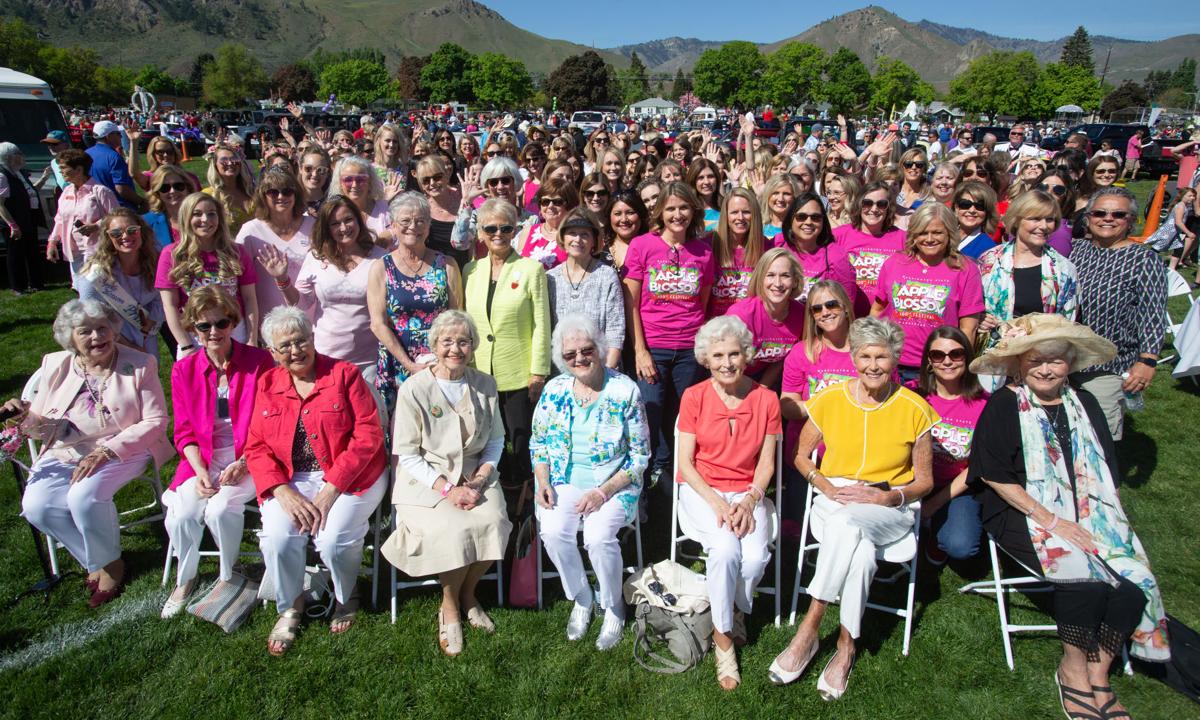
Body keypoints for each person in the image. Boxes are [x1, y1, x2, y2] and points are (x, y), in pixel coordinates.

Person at [967, 313, 1169, 719]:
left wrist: (1091, 518)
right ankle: (1072, 670)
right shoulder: (1006, 405)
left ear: (1070, 364)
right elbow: (992, 474)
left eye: (1056, 360)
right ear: (1020, 363)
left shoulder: (1086, 404)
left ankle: (1099, 672)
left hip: (1087, 514)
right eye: (1035, 359)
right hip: (1019, 512)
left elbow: (1106, 472)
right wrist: (1054, 521)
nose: (1045, 368)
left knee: (1136, 580)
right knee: (1081, 575)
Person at [770, 318, 935, 699]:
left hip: (890, 503)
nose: (873, 365)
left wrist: (887, 497)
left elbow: (924, 481)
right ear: (854, 359)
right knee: (859, 552)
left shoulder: (915, 407)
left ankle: (809, 628)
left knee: (848, 524)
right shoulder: (830, 399)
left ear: (895, 359)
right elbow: (800, 456)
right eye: (865, 356)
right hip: (837, 496)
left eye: (882, 356)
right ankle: (846, 647)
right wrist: (826, 486)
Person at [7, 299, 172, 608]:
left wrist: (107, 451)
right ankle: (94, 559)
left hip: (124, 447)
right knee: (37, 506)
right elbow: (40, 426)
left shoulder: (139, 364)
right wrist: (22, 418)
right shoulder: (56, 365)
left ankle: (111, 566)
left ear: (113, 329)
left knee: (83, 496)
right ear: (71, 338)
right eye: (86, 332)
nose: (97, 337)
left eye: (102, 328)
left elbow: (156, 421)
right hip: (66, 451)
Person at [246, 306, 387, 655]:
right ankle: (292, 604)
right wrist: (281, 490)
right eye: (286, 346)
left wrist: (329, 490)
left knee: (334, 538)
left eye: (301, 340)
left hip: (353, 475)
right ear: (273, 354)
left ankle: (346, 593)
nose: (296, 350)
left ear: (313, 338)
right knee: (279, 536)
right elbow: (256, 445)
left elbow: (368, 436)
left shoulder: (344, 375)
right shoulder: (268, 383)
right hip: (291, 479)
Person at [381, 310, 512, 657]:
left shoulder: (485, 384)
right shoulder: (414, 389)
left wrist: (482, 478)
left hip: (474, 476)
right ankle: (451, 603)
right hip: (425, 479)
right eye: (447, 341)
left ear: (473, 347)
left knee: (495, 522)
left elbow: (496, 440)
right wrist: (447, 489)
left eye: (463, 342)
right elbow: (407, 455)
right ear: (434, 345)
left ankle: (469, 592)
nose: (455, 349)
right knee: (454, 530)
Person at [531, 315, 650, 650]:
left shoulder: (624, 390)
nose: (579, 359)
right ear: (562, 359)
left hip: (614, 483)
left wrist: (602, 492)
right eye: (570, 355)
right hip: (562, 481)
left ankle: (613, 605)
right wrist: (542, 480)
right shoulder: (554, 390)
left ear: (599, 349)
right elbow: (538, 444)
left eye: (586, 350)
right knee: (553, 531)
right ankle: (583, 596)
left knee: (598, 538)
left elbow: (641, 458)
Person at [676, 315, 780, 690]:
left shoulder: (766, 400)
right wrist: (718, 503)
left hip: (748, 492)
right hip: (703, 490)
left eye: (734, 353)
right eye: (718, 354)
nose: (727, 362)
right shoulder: (694, 396)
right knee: (724, 552)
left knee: (753, 558)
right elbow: (685, 463)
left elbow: (767, 463)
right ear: (706, 358)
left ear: (746, 355)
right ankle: (723, 640)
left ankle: (736, 609)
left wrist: (751, 500)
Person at [161, 287, 274, 618]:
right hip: (201, 459)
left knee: (221, 509)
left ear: (233, 322)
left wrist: (243, 461)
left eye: (221, 323)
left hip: (252, 454)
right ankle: (187, 577)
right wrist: (199, 472)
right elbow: (183, 431)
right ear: (192, 327)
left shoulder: (259, 362)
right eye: (203, 326)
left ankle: (229, 573)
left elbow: (269, 421)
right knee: (182, 513)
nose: (213, 332)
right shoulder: (184, 370)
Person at [624, 182, 716, 488]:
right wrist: (640, 350)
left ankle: (679, 472)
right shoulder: (642, 245)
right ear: (660, 211)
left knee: (682, 416)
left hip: (689, 349)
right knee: (650, 413)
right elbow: (632, 302)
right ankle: (654, 471)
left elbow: (702, 301)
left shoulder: (703, 250)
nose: (678, 215)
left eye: (684, 207)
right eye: (671, 208)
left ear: (694, 210)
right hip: (654, 346)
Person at [462, 198, 551, 493]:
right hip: (479, 372)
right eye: (490, 228)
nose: (498, 234)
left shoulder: (530, 269)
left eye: (506, 228)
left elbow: (541, 323)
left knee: (521, 440)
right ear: (481, 232)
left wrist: (538, 371)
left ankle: (525, 501)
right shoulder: (471, 271)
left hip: (518, 372)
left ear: (515, 231)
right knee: (484, 442)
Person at [1069, 187, 1166, 441]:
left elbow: (1153, 314)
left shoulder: (1144, 259)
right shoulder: (1076, 250)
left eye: (1118, 214)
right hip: (1066, 360)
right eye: (1100, 212)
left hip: (1109, 365)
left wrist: (1147, 361)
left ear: (1131, 221)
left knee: (1098, 438)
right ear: (1088, 218)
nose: (1108, 218)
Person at [263, 195, 386, 390]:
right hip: (327, 356)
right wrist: (282, 279)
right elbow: (302, 304)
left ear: (358, 220)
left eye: (348, 220)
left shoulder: (380, 258)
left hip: (370, 358)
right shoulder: (316, 258)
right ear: (327, 229)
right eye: (335, 223)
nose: (344, 228)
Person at [367, 192, 462, 414]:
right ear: (393, 225)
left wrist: (442, 361)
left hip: (440, 362)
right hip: (397, 362)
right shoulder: (381, 268)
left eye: (420, 221)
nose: (413, 227)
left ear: (429, 226)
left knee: (440, 426)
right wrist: (410, 365)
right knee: (402, 431)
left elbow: (457, 318)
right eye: (405, 221)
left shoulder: (446, 265)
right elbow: (378, 324)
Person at [871, 203, 984, 378]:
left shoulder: (965, 269)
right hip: (891, 363)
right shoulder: (894, 262)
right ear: (913, 234)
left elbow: (968, 328)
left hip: (938, 367)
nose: (929, 239)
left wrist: (962, 371)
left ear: (949, 233)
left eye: (937, 232)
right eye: (923, 233)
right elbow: (877, 311)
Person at [912, 327, 989, 564]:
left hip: (958, 487)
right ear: (929, 361)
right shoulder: (913, 394)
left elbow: (979, 465)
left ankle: (936, 532)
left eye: (956, 354)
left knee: (960, 546)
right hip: (912, 481)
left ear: (967, 357)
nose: (947, 361)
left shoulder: (985, 403)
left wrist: (935, 504)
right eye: (938, 355)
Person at [156, 192, 259, 357]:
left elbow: (250, 299)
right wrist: (185, 345)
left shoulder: (237, 252)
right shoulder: (171, 255)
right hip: (195, 336)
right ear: (186, 218)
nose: (205, 219)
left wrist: (251, 339)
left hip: (235, 332)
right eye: (197, 214)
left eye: (212, 213)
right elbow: (170, 305)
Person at [977, 190, 1078, 356]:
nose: (1044, 226)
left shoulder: (1064, 269)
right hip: (992, 357)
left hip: (1041, 359)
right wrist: (980, 320)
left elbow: (1068, 322)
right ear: (1016, 220)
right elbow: (972, 308)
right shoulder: (989, 260)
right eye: (1035, 219)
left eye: (1050, 219)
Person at [75, 209, 163, 355]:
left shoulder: (155, 262)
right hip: (110, 342)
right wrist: (130, 347)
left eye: (132, 230)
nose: (125, 236)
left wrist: (152, 321)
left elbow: (161, 298)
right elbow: (92, 318)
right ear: (108, 237)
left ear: (142, 232)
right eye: (116, 233)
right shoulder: (95, 275)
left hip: (147, 337)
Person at [546, 208, 624, 369]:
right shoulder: (550, 278)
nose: (578, 239)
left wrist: (606, 373)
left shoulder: (606, 276)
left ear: (594, 241)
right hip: (560, 372)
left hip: (600, 369)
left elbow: (615, 330)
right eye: (572, 233)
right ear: (562, 237)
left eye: (584, 234)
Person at [236, 167, 315, 317]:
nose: (281, 196)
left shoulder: (314, 225)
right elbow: (239, 279)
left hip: (310, 317)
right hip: (269, 320)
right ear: (263, 196)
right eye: (273, 192)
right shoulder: (250, 232)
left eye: (287, 191)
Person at [727, 248, 806, 389]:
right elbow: (726, 361)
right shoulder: (741, 315)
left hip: (771, 379)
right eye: (770, 275)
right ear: (760, 279)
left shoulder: (802, 315)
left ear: (795, 281)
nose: (778, 283)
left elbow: (783, 360)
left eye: (785, 275)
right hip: (734, 377)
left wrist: (762, 390)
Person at [833, 181, 905, 316]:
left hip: (883, 321)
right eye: (867, 203)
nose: (874, 209)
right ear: (859, 204)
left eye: (881, 204)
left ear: (889, 208)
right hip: (847, 316)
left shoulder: (902, 239)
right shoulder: (839, 235)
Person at [46, 149, 119, 281]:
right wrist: (52, 243)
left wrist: (97, 226)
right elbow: (59, 220)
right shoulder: (66, 192)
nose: (60, 172)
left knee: (98, 290)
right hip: (73, 252)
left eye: (63, 168)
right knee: (81, 290)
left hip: (98, 251)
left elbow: (118, 218)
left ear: (79, 170)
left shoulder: (101, 191)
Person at [776, 192, 857, 304]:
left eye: (816, 217)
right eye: (801, 217)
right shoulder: (777, 244)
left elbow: (847, 305)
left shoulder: (837, 257)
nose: (808, 222)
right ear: (791, 219)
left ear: (823, 221)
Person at [451, 157, 534, 259]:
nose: (500, 187)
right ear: (487, 186)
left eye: (505, 180)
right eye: (494, 182)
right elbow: (459, 243)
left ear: (515, 182)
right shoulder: (478, 216)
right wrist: (466, 201)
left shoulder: (531, 219)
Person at [708, 188, 766, 317]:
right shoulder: (709, 243)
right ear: (726, 215)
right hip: (715, 326)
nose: (740, 217)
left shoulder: (765, 246)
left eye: (746, 212)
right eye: (734, 212)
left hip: (750, 324)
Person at [0, 142, 47, 293]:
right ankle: (18, 287)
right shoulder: (3, 176)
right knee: (16, 255)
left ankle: (37, 283)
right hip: (13, 221)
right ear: (9, 157)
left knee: (32, 251)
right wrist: (12, 225)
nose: (21, 156)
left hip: (27, 218)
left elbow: (31, 192)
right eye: (18, 153)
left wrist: (44, 178)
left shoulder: (18, 173)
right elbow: (0, 204)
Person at [415, 154, 470, 269]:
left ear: (446, 176)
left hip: (465, 272)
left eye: (437, 177)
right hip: (434, 276)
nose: (432, 183)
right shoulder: (420, 210)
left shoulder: (463, 201)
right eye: (426, 180)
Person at [329, 155, 399, 242]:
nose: (354, 185)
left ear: (370, 182)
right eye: (348, 179)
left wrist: (392, 233)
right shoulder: (333, 213)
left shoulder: (386, 209)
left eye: (361, 179)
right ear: (340, 183)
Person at [518, 177, 579, 270]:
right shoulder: (527, 232)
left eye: (557, 202)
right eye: (545, 202)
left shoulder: (574, 237)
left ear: (569, 205)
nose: (550, 206)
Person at [86, 121, 142, 210]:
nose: (121, 136)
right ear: (109, 136)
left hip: (96, 206)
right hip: (120, 209)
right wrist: (141, 201)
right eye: (118, 134)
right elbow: (122, 189)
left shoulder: (86, 153)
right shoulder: (114, 156)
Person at [204, 143, 255, 236]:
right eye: (224, 160)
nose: (230, 163)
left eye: (234, 159)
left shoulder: (252, 190)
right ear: (215, 165)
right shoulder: (208, 195)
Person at [142, 164, 192, 248]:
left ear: (188, 188)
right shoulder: (147, 222)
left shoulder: (202, 216)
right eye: (165, 188)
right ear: (157, 192)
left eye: (178, 186)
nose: (172, 191)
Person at [603, 190, 649, 279]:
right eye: (617, 214)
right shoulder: (599, 247)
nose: (624, 219)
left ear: (641, 215)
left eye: (630, 213)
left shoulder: (651, 248)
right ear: (609, 217)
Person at [953, 181, 1001, 260]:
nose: (972, 210)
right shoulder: (944, 234)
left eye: (979, 206)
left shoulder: (989, 249)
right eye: (965, 204)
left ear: (987, 211)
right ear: (956, 208)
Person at [297, 146, 333, 216]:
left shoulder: (333, 204)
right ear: (300, 169)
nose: (314, 174)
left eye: (321, 170)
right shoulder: (290, 202)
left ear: (328, 173)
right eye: (308, 168)